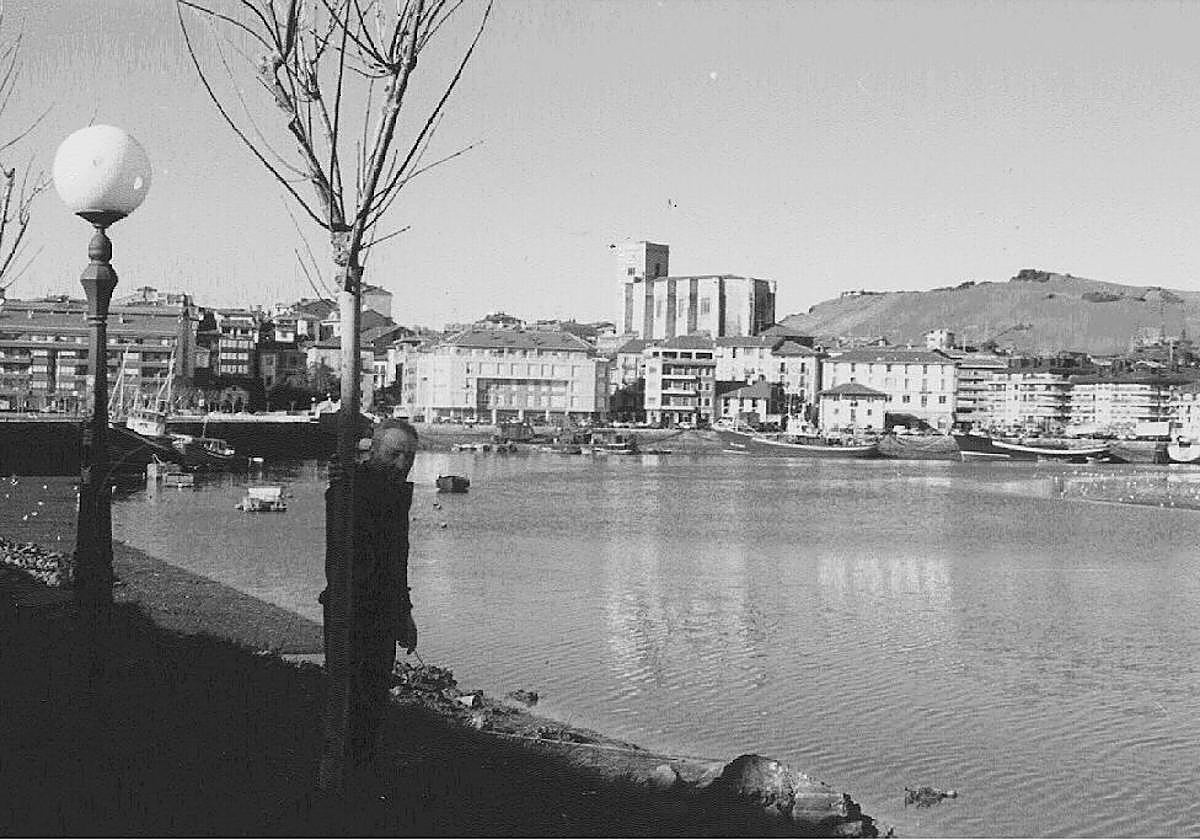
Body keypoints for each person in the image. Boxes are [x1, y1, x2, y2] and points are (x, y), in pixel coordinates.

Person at [321, 418, 419, 775]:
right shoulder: (351, 486)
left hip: (382, 613)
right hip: (351, 608)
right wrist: (340, 474)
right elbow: (342, 521)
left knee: (374, 697)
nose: (402, 464)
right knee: (346, 694)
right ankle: (337, 773)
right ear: (374, 451)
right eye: (394, 455)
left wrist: (403, 613)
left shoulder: (397, 493)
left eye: (409, 457)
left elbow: (397, 560)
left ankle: (361, 769)